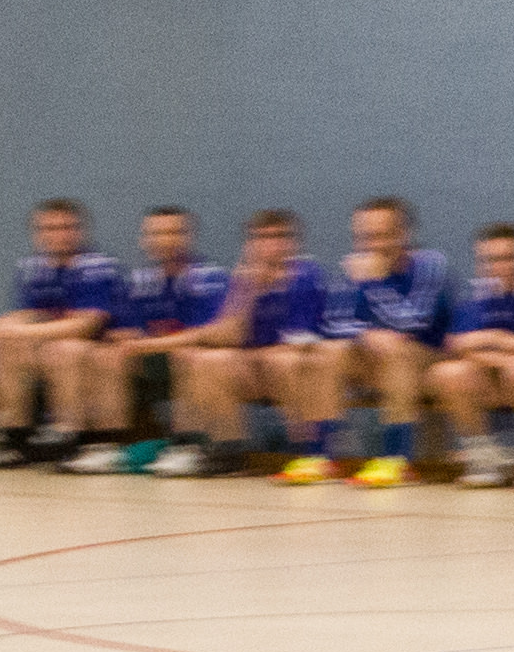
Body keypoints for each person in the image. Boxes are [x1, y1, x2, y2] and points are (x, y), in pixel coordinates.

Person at [301, 196, 450, 488]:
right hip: (376, 358)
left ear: (404, 235)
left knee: (397, 350)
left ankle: (396, 459)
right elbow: (332, 323)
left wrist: (374, 284)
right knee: (329, 351)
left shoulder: (430, 265)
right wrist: (367, 334)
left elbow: (416, 322)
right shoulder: (356, 266)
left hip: (428, 359)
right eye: (365, 237)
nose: (372, 245)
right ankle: (322, 456)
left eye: (382, 236)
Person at [162, 212, 320, 479]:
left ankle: (310, 454)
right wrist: (246, 292)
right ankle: (228, 451)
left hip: (299, 363)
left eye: (279, 237)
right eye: (261, 238)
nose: (270, 245)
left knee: (285, 362)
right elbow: (230, 334)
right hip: (256, 366)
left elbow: (300, 342)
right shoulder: (243, 280)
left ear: (293, 243)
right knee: (208, 360)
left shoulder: (306, 276)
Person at [61, 208, 219, 471]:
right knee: (106, 354)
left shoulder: (207, 277)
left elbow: (204, 335)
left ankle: (189, 446)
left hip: (196, 358)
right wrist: (128, 339)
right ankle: (107, 445)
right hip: (150, 357)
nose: (165, 240)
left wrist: (150, 343)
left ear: (188, 237)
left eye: (173, 233)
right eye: (157, 234)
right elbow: (124, 330)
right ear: (144, 240)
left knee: (188, 355)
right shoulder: (140, 280)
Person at [0, 200, 115, 467]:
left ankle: (69, 439)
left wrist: (23, 333)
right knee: (1, 339)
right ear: (37, 234)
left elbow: (86, 326)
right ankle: (13, 436)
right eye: (49, 228)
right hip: (53, 347)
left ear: (80, 231)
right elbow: (27, 314)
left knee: (64, 349)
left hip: (101, 349)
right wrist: (0, 327)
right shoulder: (34, 269)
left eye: (66, 227)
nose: (58, 235)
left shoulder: (96, 267)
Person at [428, 221, 514, 485]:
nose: (501, 267)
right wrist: (501, 347)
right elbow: (457, 345)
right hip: (494, 379)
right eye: (491, 260)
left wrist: (495, 340)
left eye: (509, 258)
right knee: (448, 373)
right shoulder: (477, 291)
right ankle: (485, 459)